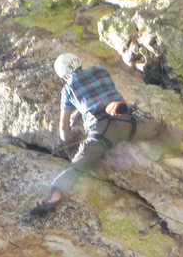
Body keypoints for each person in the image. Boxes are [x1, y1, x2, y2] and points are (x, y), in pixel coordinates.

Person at [30, 53, 163, 215]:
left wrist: (68, 147)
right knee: (159, 126)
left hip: (102, 134)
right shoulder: (100, 71)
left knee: (76, 169)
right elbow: (99, 97)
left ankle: (52, 200)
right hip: (127, 123)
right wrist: (77, 113)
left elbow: (64, 126)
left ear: (64, 75)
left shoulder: (68, 89)